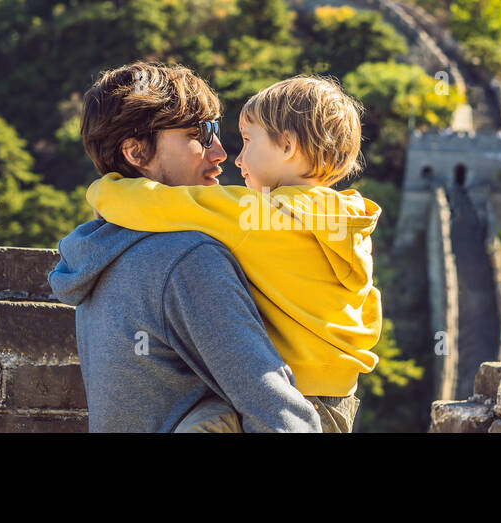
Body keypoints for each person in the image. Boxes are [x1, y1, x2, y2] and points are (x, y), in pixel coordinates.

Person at [84, 75, 382, 432]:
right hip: (337, 392)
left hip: (300, 392)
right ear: (135, 152)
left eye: (245, 141)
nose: (229, 156)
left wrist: (105, 191)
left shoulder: (254, 217)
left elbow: (163, 205)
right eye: (201, 134)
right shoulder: (343, 218)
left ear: (286, 146)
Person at [47, 62, 322, 432]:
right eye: (201, 133)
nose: (221, 151)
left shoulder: (98, 254)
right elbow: (276, 413)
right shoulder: (186, 259)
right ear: (136, 152)